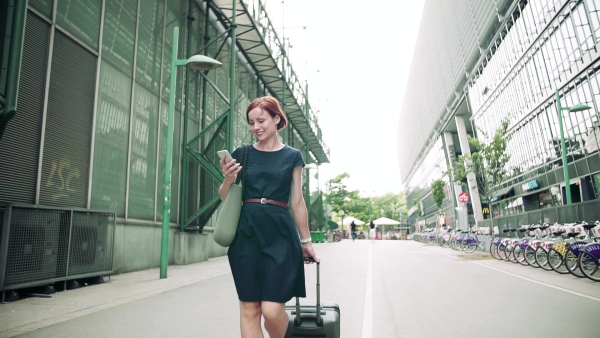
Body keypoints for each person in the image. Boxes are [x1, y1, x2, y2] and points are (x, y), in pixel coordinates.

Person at [219, 96, 319, 338]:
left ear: (276, 118)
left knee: (273, 311)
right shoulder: (242, 154)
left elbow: (297, 202)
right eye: (252, 123)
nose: (256, 127)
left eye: (261, 120)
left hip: (280, 235)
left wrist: (306, 242)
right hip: (246, 234)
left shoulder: (293, 156)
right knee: (250, 309)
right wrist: (228, 178)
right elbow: (225, 197)